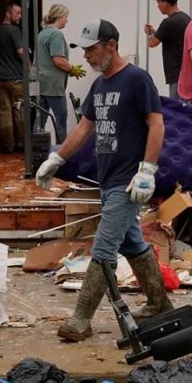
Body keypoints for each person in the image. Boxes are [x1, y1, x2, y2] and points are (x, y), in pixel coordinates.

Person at [34, 19, 171, 342]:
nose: (87, 57)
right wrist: (56, 158)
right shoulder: (99, 86)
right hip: (107, 180)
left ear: (111, 45)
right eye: (84, 50)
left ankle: (80, 319)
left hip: (127, 182)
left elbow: (157, 124)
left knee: (104, 248)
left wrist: (147, 170)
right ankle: (159, 302)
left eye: (92, 49)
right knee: (132, 243)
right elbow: (84, 128)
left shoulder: (137, 80)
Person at [33, 4, 86, 143]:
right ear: (60, 17)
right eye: (66, 17)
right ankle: (62, 152)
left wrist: (69, 68)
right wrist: (72, 69)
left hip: (41, 83)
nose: (67, 20)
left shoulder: (42, 32)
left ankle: (35, 151)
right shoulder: (56, 34)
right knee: (61, 119)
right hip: (53, 85)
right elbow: (58, 60)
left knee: (40, 120)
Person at [0, 1, 28, 153]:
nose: (20, 16)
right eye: (17, 13)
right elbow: (20, 51)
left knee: (3, 113)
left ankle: (8, 146)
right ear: (8, 14)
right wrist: (29, 64)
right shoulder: (14, 30)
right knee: (20, 111)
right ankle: (22, 144)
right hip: (15, 80)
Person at [143, 0, 190, 99]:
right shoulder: (186, 18)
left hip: (176, 76)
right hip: (188, 74)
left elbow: (152, 43)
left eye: (158, 2)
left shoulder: (168, 23)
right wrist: (155, 32)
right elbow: (169, 37)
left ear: (165, 3)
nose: (157, 6)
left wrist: (149, 34)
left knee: (177, 112)